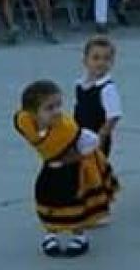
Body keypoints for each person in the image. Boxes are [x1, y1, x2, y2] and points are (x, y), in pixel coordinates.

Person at [16, 79, 117, 259]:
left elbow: (92, 143)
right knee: (47, 200)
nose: (56, 111)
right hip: (50, 169)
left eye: (58, 105)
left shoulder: (68, 129)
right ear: (33, 113)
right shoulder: (28, 124)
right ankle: (51, 233)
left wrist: (70, 159)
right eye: (49, 108)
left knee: (73, 203)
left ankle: (79, 235)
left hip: (71, 171)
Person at [74, 36, 123, 156]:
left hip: (96, 139)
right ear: (85, 61)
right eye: (95, 58)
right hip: (80, 136)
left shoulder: (107, 88)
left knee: (95, 170)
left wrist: (101, 137)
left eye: (106, 59)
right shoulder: (80, 85)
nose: (101, 63)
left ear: (112, 62)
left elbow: (113, 116)